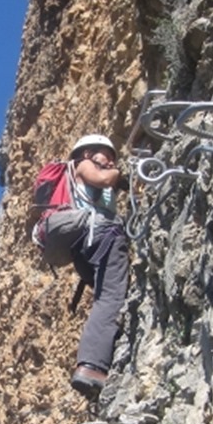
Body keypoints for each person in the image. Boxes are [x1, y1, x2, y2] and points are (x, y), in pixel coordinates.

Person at [61, 134, 129, 400]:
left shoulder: (83, 173)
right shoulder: (83, 165)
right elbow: (103, 179)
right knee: (111, 297)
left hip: (88, 245)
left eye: (112, 155)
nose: (110, 159)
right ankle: (91, 367)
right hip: (103, 237)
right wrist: (116, 172)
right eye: (104, 153)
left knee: (106, 298)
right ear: (87, 153)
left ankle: (102, 353)